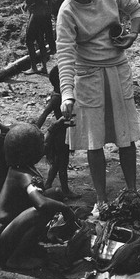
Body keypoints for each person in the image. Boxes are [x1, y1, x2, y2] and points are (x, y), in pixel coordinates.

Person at [56, 0, 140, 215]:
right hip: (88, 76)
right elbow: (65, 54)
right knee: (94, 141)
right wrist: (67, 94)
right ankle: (102, 199)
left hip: (117, 70)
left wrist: (132, 35)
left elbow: (135, 8)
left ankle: (132, 191)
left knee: (125, 136)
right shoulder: (67, 12)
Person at [0, 123, 75, 270]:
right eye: (40, 145)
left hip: (7, 231)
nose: (44, 146)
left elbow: (41, 140)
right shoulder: (23, 175)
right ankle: (16, 258)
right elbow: (40, 203)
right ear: (30, 152)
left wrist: (55, 126)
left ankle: (30, 244)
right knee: (41, 210)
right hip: (0, 237)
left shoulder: (21, 166)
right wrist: (65, 209)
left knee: (55, 195)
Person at [36, 65, 80, 199]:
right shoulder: (57, 97)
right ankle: (65, 190)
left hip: (63, 133)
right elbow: (44, 113)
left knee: (56, 162)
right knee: (63, 164)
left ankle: (48, 184)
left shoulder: (60, 96)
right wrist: (36, 129)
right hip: (61, 135)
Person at [23, 0, 56, 75]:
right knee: (40, 39)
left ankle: (33, 67)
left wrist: (30, 5)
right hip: (44, 13)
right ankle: (44, 66)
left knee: (29, 40)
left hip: (36, 13)